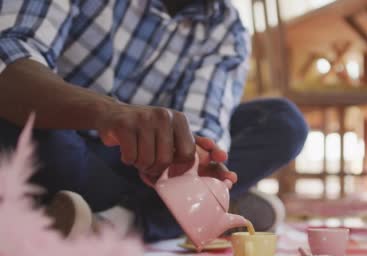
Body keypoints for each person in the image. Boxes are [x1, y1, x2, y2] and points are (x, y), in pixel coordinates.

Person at [0, 0, 308, 241]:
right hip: (64, 148)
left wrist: (189, 162)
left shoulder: (226, 27)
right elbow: (9, 62)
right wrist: (109, 113)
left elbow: (204, 125)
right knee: (21, 118)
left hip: (141, 169)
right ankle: (191, 215)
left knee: (284, 122)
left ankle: (118, 223)